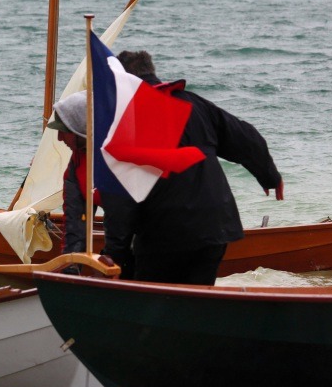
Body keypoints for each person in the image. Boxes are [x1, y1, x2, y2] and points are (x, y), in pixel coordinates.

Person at [115, 49, 283, 285]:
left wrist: (116, 253)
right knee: (197, 299)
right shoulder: (194, 104)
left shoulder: (131, 117)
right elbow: (246, 137)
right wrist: (270, 177)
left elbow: (121, 195)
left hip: (165, 230)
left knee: (153, 304)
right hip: (214, 226)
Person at [47, 91, 137, 277]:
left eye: (63, 131)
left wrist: (112, 261)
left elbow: (127, 219)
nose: (59, 139)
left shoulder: (119, 156)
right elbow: (76, 224)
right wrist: (70, 267)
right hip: (120, 239)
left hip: (148, 240)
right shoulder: (75, 166)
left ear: (81, 130)